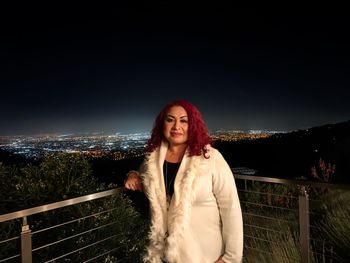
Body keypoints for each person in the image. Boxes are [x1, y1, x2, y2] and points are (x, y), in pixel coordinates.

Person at [124, 100, 243, 263]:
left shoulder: (211, 158)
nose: (176, 126)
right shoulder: (153, 160)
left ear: (193, 125)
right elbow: (141, 174)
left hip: (204, 256)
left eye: (184, 121)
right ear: (162, 124)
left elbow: (231, 209)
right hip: (162, 255)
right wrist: (132, 175)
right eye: (170, 119)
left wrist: (230, 258)